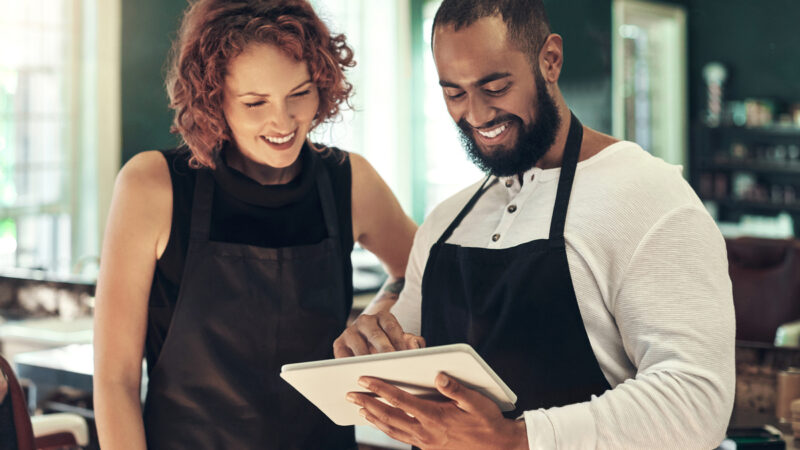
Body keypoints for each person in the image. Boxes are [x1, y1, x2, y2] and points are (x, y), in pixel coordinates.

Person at [338, 0, 735, 448]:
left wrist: (515, 439)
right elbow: (402, 360)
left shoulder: (650, 198)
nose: (477, 114)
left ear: (550, 60)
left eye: (495, 86)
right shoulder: (446, 220)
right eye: (454, 94)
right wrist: (369, 346)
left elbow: (696, 400)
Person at [92, 1, 417, 448]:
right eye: (255, 102)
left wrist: (376, 318)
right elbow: (115, 381)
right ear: (214, 99)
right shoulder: (152, 185)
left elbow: (421, 271)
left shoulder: (350, 180)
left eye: (299, 93)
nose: (282, 121)